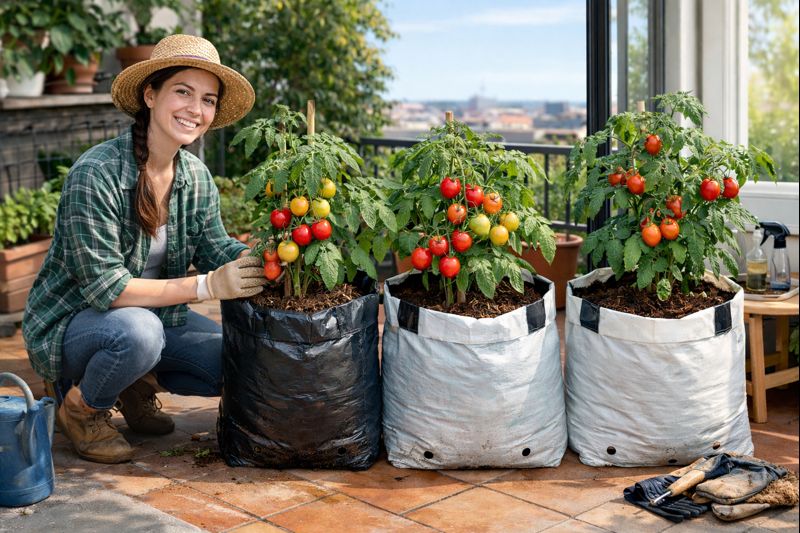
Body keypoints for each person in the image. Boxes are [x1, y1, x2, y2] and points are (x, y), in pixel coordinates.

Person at [22, 34, 267, 464]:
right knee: (139, 333)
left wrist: (263, 255)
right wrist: (208, 286)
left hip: (153, 315)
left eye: (208, 100)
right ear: (150, 95)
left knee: (230, 357)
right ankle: (80, 409)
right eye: (183, 92)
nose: (196, 110)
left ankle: (133, 385)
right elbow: (107, 290)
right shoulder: (96, 173)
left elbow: (214, 247)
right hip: (77, 324)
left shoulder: (195, 176)